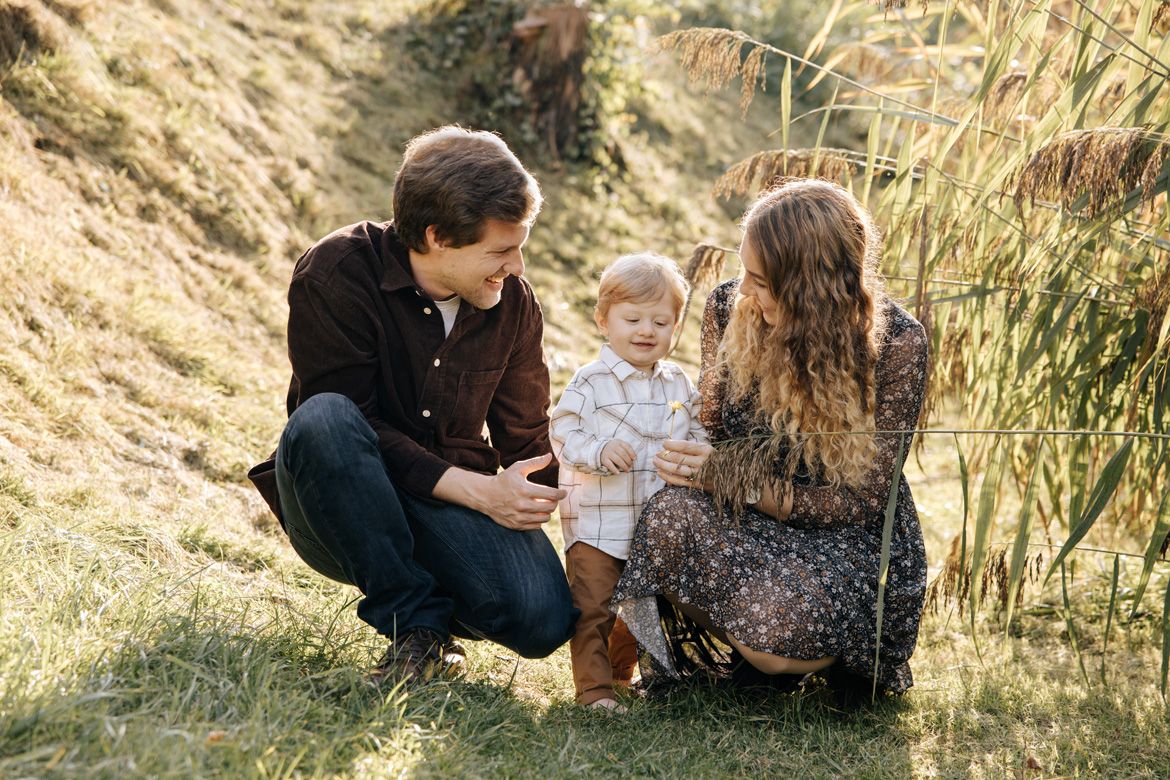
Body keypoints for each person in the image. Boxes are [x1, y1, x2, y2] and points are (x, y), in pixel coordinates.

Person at [247, 126, 578, 684]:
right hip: (340, 500)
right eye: (500, 251)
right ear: (437, 237)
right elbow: (351, 425)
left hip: (447, 510)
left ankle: (431, 591)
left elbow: (528, 438)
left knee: (543, 620)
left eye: (521, 246)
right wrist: (482, 492)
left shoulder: (513, 304)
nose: (517, 266)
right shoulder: (336, 273)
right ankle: (417, 633)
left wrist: (604, 545)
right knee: (324, 417)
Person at [611, 179, 929, 697]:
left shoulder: (897, 343)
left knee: (780, 627)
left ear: (812, 287)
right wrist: (688, 458)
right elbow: (711, 427)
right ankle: (745, 646)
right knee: (666, 518)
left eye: (761, 281)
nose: (744, 294)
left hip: (836, 538)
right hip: (739, 519)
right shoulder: (726, 309)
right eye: (744, 273)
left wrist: (739, 481)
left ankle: (785, 656)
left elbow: (867, 502)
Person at [549, 253, 707, 711]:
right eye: (633, 318)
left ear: (675, 328)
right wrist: (597, 450)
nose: (646, 331)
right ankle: (593, 690)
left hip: (653, 525)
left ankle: (621, 676)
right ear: (604, 320)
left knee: (642, 605)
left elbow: (697, 431)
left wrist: (695, 458)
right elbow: (563, 431)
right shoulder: (591, 381)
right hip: (598, 523)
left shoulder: (678, 383)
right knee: (594, 608)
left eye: (661, 322)